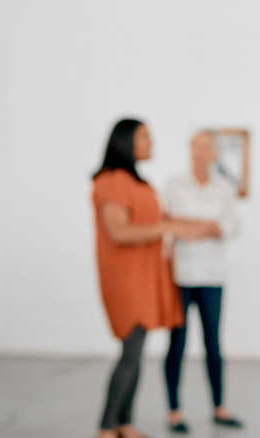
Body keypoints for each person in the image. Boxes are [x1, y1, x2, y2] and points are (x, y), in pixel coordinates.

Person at [92, 119, 198, 438]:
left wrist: (198, 225)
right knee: (131, 350)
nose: (151, 143)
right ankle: (107, 426)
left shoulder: (141, 183)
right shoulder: (110, 182)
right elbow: (119, 231)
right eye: (144, 137)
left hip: (147, 276)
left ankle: (124, 422)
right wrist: (169, 229)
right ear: (125, 141)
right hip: (126, 279)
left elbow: (162, 219)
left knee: (137, 352)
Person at [163, 131, 242, 433]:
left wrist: (202, 226)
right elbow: (169, 223)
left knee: (213, 344)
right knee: (177, 344)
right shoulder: (174, 185)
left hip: (212, 277)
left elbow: (232, 225)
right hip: (180, 276)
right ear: (190, 151)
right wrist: (202, 225)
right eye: (195, 147)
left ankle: (220, 408)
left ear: (215, 154)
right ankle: (174, 410)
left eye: (206, 148)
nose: (199, 153)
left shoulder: (224, 187)